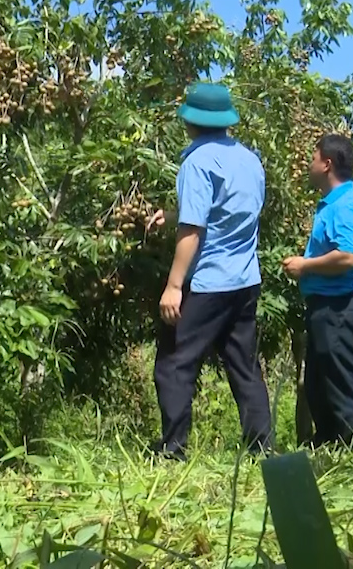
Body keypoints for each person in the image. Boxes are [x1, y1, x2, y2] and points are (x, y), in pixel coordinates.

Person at [149, 82, 272, 461]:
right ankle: (261, 448)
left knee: (174, 363)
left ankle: (172, 450)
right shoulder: (250, 160)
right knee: (244, 366)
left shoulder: (197, 162)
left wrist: (173, 285)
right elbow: (226, 214)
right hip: (245, 280)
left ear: (191, 122)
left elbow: (194, 231)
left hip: (209, 281)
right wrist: (172, 215)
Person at [282, 133, 353, 448]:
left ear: (327, 163)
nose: (309, 164)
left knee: (340, 385)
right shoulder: (333, 204)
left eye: (313, 157)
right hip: (327, 306)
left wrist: (305, 266)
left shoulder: (346, 205)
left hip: (341, 307)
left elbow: (348, 256)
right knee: (320, 385)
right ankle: (330, 448)